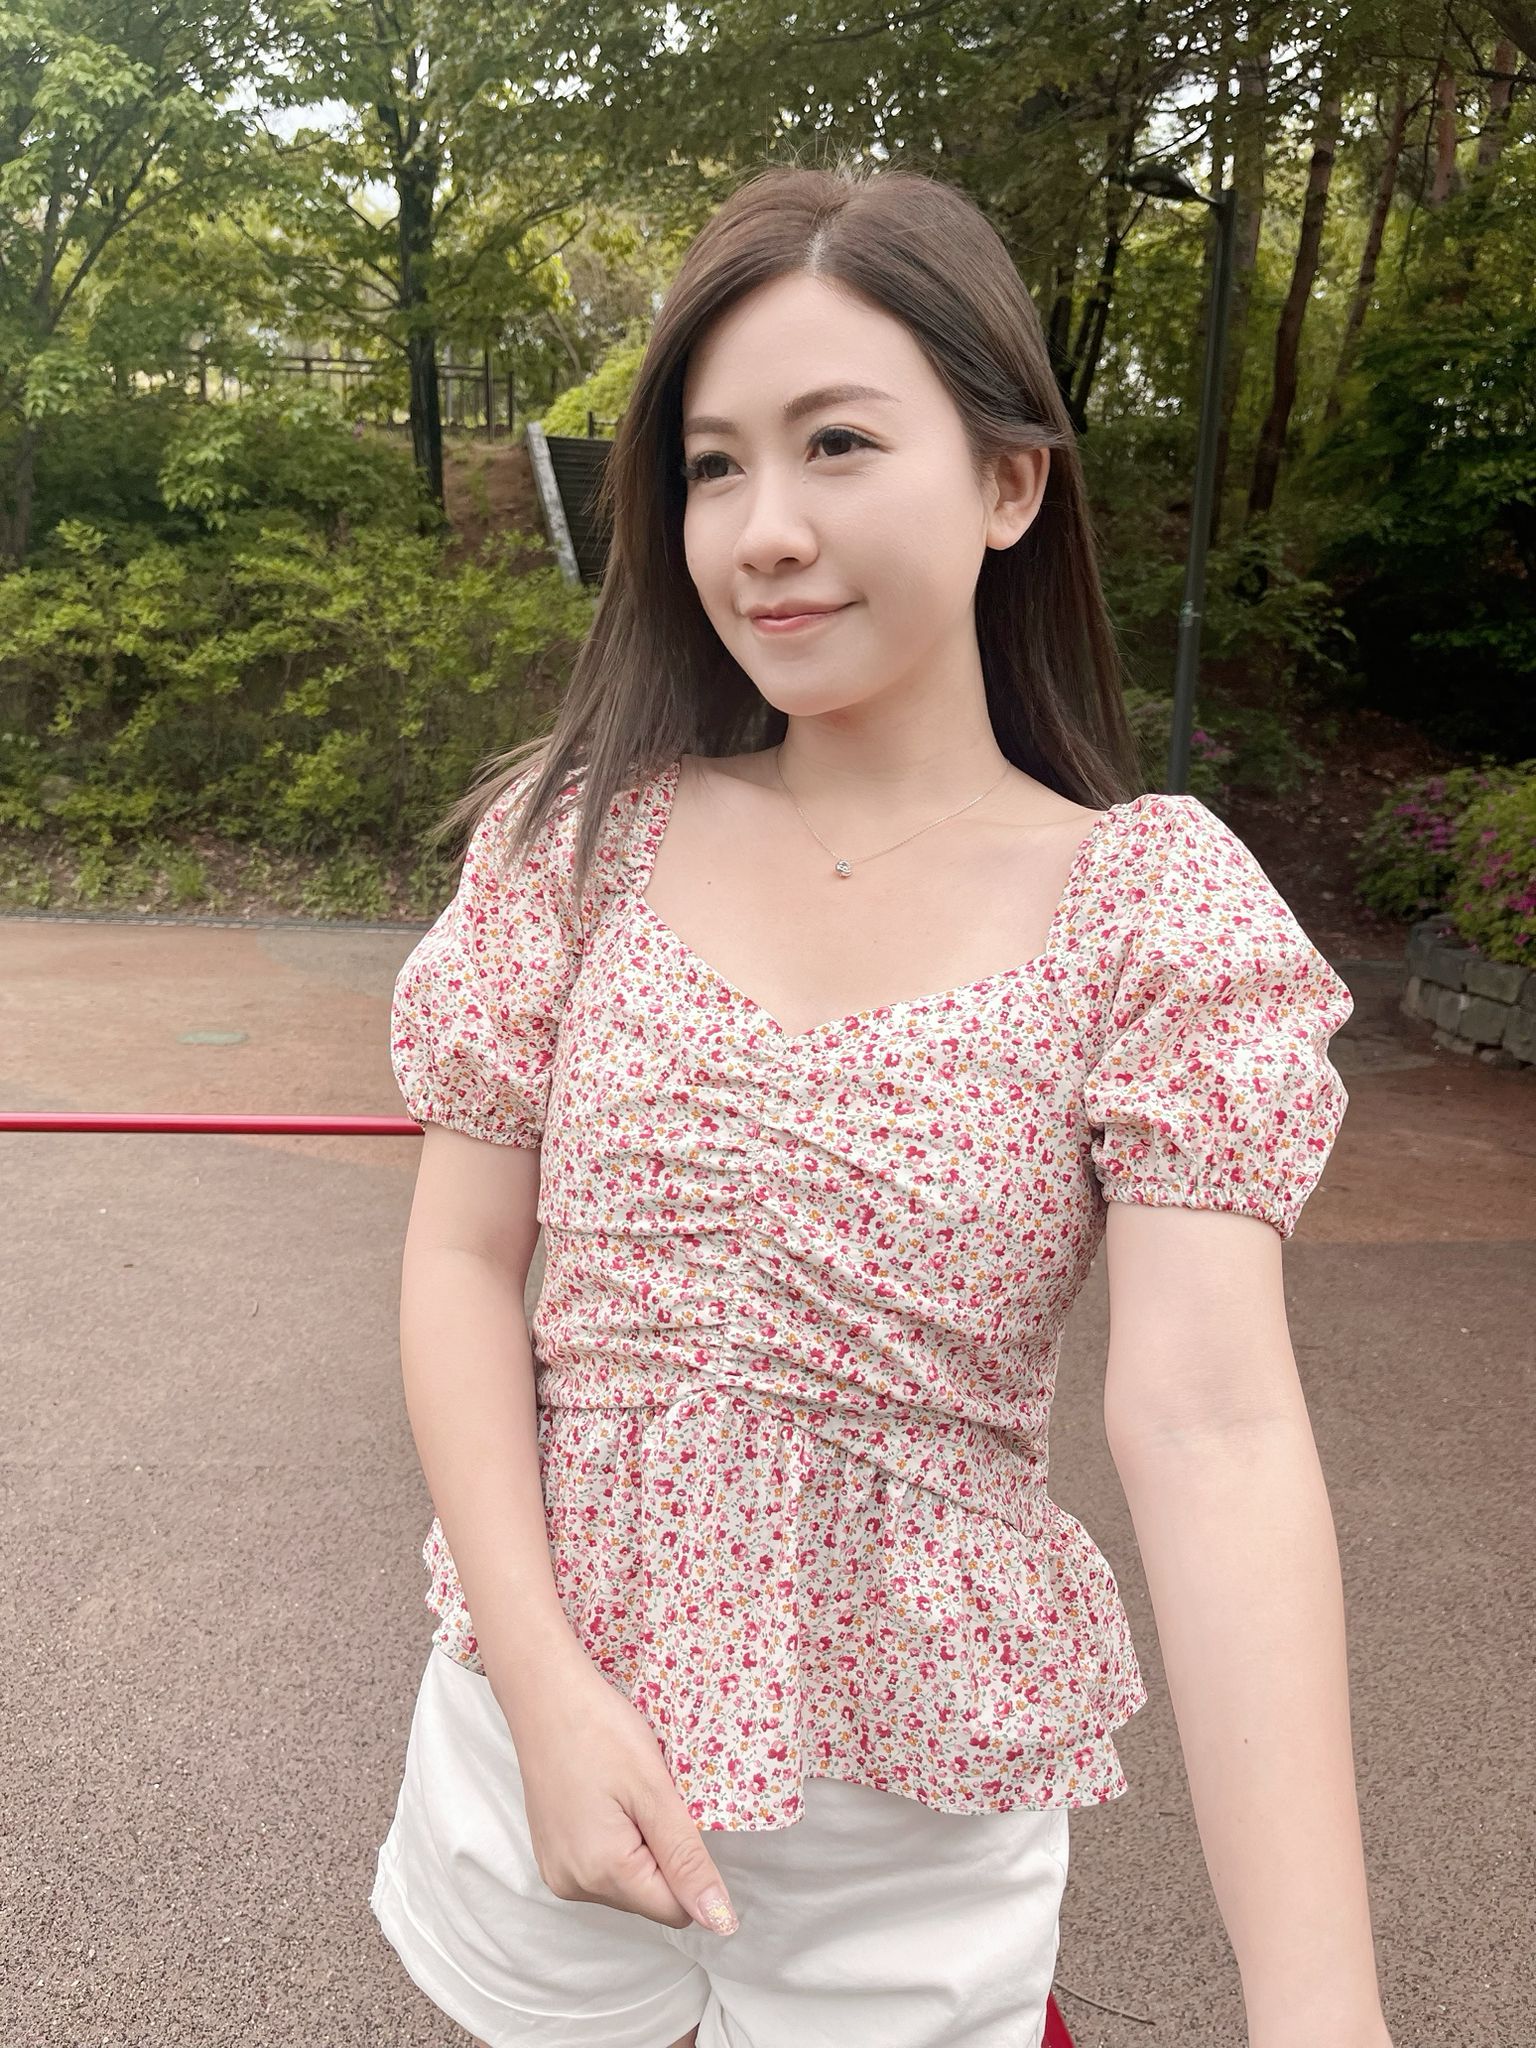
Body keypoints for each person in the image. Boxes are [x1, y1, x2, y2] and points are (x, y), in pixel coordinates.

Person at [369, 159, 1394, 2048]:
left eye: (838, 443)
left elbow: (1217, 1427)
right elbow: (457, 1264)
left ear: (1009, 483)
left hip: (909, 1833)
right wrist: (546, 1691)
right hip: (528, 1757)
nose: (765, 531)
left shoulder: (1152, 913)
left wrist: (1320, 2012)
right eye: (713, 466)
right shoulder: (575, 842)